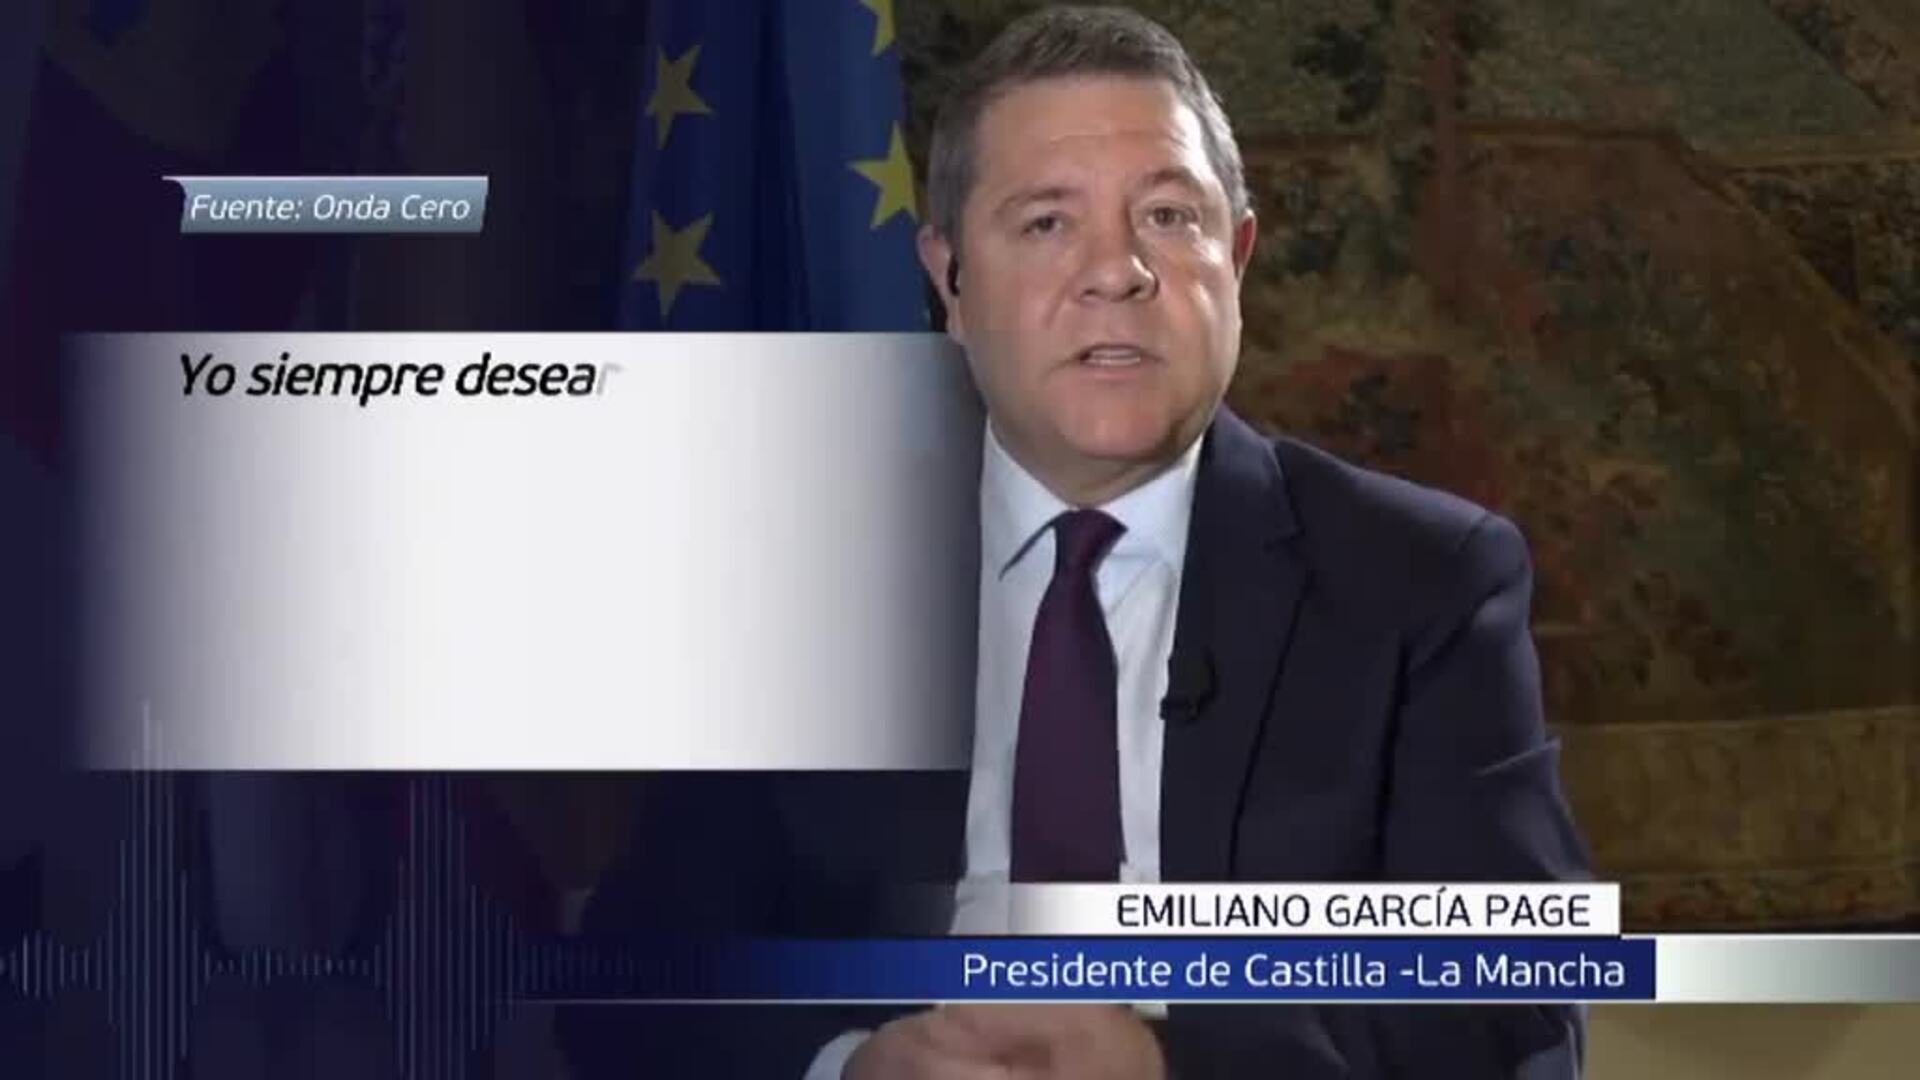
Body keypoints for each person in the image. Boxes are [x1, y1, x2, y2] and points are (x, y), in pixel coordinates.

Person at [570, 7, 1589, 1078]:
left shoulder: (1422, 583)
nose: (1118, 272)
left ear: (1238, 260)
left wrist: (1167, 1066)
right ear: (951, 281)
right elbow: (636, 982)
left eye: (1168, 216)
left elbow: (1515, 1004)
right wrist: (851, 1065)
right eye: (1047, 223)